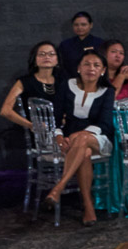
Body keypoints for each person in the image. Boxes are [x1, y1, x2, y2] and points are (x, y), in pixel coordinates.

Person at [45, 50, 114, 226]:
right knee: (84, 153)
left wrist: (81, 134)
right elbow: (56, 117)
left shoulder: (107, 91)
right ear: (78, 67)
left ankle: (59, 187)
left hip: (99, 139)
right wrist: (59, 137)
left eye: (96, 65)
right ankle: (88, 205)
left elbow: (105, 124)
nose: (91, 68)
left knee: (83, 141)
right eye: (87, 64)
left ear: (103, 70)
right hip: (72, 142)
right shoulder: (66, 86)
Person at [0, 41, 62, 130]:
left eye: (51, 54)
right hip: (34, 133)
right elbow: (5, 111)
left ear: (57, 60)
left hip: (60, 132)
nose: (47, 57)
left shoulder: (63, 82)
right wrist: (31, 125)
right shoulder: (24, 82)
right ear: (35, 60)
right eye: (42, 54)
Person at [57, 11, 105, 79]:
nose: (79, 27)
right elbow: (61, 66)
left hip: (94, 80)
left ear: (91, 25)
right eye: (76, 25)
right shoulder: (65, 44)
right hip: (70, 81)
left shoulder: (100, 43)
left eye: (83, 25)